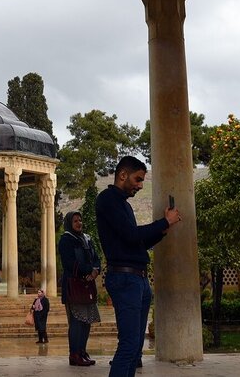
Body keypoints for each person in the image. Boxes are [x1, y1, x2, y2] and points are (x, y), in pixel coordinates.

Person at [96, 156, 181, 377]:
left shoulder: (123, 205)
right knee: (128, 344)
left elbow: (136, 243)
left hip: (138, 280)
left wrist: (162, 231)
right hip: (125, 279)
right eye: (138, 179)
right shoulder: (107, 199)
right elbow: (132, 236)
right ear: (122, 175)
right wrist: (164, 222)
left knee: (135, 349)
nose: (140, 185)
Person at [58, 211, 101, 366]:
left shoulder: (87, 239)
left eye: (80, 220)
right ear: (70, 223)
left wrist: (95, 271)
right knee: (77, 321)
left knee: (87, 321)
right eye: (75, 221)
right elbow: (70, 264)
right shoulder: (66, 240)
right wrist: (89, 270)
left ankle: (82, 352)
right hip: (74, 286)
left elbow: (97, 258)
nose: (79, 223)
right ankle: (74, 354)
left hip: (88, 285)